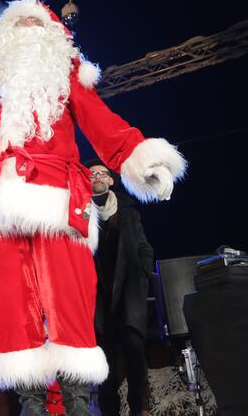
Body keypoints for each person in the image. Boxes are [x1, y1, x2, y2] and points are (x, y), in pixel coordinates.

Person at [0, 0, 186, 415]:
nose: (27, 27)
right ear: (1, 37)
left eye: (35, 22)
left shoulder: (66, 74)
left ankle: (78, 404)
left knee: (70, 304)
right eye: (17, 23)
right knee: (11, 306)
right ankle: (31, 405)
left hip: (59, 199)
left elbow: (102, 122)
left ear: (52, 35)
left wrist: (141, 159)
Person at [86, 160, 154, 416]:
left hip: (128, 295)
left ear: (111, 180)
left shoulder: (128, 212)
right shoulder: (80, 213)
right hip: (100, 299)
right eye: (92, 174)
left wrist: (142, 276)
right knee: (105, 365)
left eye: (102, 173)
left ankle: (141, 409)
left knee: (136, 357)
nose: (98, 177)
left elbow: (145, 248)